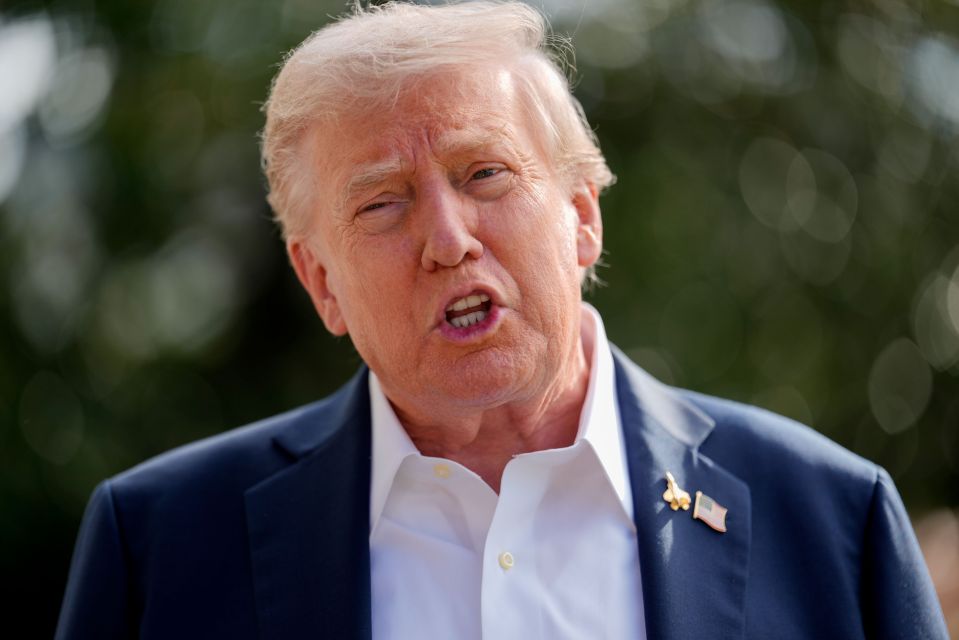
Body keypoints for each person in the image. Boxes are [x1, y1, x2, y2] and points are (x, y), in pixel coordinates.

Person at [56, 2, 948, 639]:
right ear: (320, 280)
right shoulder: (159, 548)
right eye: (381, 205)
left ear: (582, 216)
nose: (447, 240)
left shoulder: (833, 518)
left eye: (485, 174)